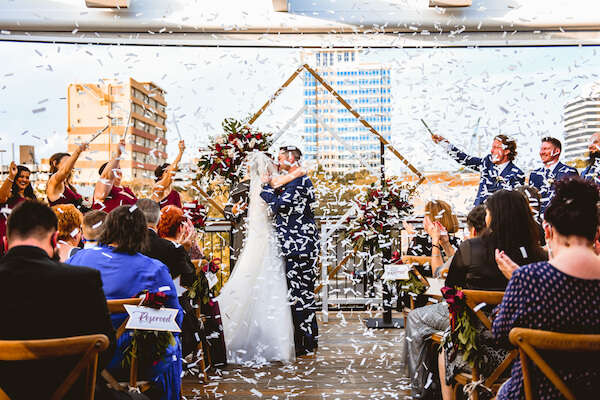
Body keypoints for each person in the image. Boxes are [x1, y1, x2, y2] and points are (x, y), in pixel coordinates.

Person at [0, 200, 148, 400]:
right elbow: (105, 348)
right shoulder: (83, 280)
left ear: (5, 243)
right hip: (71, 393)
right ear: (54, 240)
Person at [493, 177, 600, 399]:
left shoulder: (530, 279)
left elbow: (501, 336)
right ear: (596, 233)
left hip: (539, 392)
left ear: (548, 231)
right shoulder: (528, 278)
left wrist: (519, 281)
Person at [67, 206, 183, 400]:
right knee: (173, 344)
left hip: (84, 357)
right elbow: (175, 319)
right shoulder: (154, 269)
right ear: (142, 233)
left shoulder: (78, 258)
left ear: (108, 228)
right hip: (132, 363)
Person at [217, 151, 307, 365]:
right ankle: (275, 342)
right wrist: (299, 172)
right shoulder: (269, 183)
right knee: (270, 284)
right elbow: (290, 179)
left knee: (252, 281)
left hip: (256, 239)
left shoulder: (253, 186)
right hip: (267, 238)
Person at [402, 204, 486, 398]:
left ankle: (420, 386)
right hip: (495, 322)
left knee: (415, 317)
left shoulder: (469, 247)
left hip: (463, 319)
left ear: (472, 229)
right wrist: (448, 245)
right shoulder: (507, 249)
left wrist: (435, 242)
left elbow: (440, 278)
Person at [260, 145, 319, 357]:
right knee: (302, 293)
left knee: (299, 294)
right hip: (298, 245)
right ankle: (309, 339)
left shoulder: (299, 182)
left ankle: (304, 342)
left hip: (299, 247)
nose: (277, 162)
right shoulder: (295, 180)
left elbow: (278, 206)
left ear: (291, 158)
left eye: (280, 158)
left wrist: (265, 188)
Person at [431, 133, 525, 205]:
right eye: (492, 147)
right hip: (478, 217)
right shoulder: (487, 162)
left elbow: (513, 204)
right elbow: (465, 160)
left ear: (506, 151)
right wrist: (445, 144)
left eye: (496, 148)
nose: (491, 151)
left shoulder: (516, 175)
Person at [406, 200, 461, 276]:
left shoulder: (420, 241)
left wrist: (414, 238)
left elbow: (410, 271)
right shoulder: (458, 242)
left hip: (428, 285)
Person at [528, 137, 577, 212]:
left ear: (557, 151)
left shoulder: (569, 172)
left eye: (546, 149)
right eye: (541, 149)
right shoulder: (534, 175)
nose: (542, 152)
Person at [0, 162, 37, 256]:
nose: (24, 180)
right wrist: (11, 176)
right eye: (21, 176)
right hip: (4, 240)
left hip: (23, 241)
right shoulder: (9, 195)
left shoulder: (31, 199)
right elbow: (2, 197)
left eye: (27, 177)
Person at [92, 139, 137, 213]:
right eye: (115, 169)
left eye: (120, 168)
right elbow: (107, 177)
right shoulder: (103, 189)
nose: (118, 171)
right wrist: (118, 154)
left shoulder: (127, 190)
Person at [46, 143, 90, 212]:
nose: (70, 166)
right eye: (66, 162)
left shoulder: (68, 185)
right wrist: (78, 151)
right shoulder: (53, 181)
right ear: (55, 163)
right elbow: (64, 171)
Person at [151, 140, 185, 209]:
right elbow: (170, 175)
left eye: (172, 171)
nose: (172, 173)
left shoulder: (178, 195)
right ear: (160, 177)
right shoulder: (157, 189)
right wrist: (181, 152)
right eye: (167, 171)